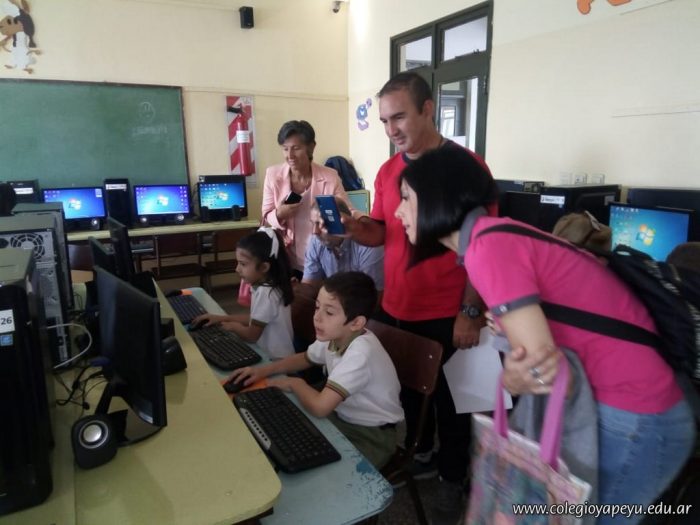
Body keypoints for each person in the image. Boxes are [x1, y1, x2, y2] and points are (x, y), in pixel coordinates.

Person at [395, 146, 696, 523]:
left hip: (635, 413)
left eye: (406, 197)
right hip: (633, 406)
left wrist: (511, 379)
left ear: (439, 195)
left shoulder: (488, 248)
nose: (398, 211)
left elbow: (543, 370)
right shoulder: (495, 236)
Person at [342, 71, 494, 521]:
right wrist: (354, 230)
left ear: (428, 109)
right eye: (384, 121)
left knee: (452, 402)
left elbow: (484, 248)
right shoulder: (389, 171)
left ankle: (452, 475)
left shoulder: (466, 168)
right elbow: (382, 232)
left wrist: (470, 311)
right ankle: (421, 452)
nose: (391, 130)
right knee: (409, 388)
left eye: (399, 117)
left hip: (447, 308)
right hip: (397, 304)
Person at [229, 271, 404, 469]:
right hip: (341, 414)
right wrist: (263, 371)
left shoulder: (360, 355)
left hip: (371, 434)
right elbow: (305, 358)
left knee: (314, 467)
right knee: (284, 432)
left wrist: (295, 383)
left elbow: (320, 407)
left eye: (329, 313)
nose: (317, 317)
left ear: (356, 323)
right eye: (317, 307)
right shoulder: (336, 334)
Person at [261, 120, 352, 278]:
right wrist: (279, 214)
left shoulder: (330, 176)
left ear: (311, 147)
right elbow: (266, 215)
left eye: (296, 148)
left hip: (322, 255)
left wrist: (365, 221)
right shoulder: (273, 175)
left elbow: (348, 210)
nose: (290, 156)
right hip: (287, 256)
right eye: (285, 149)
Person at [192, 227, 295, 360]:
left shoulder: (266, 294)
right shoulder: (267, 286)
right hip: (276, 356)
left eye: (243, 264)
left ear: (264, 267)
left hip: (276, 361)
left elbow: (251, 335)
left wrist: (234, 327)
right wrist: (221, 318)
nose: (237, 269)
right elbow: (255, 319)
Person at [303, 196, 384, 297]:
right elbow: (309, 286)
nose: (315, 232)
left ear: (340, 221)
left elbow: (375, 297)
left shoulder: (369, 246)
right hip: (333, 302)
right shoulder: (316, 241)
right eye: (313, 224)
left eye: (320, 224)